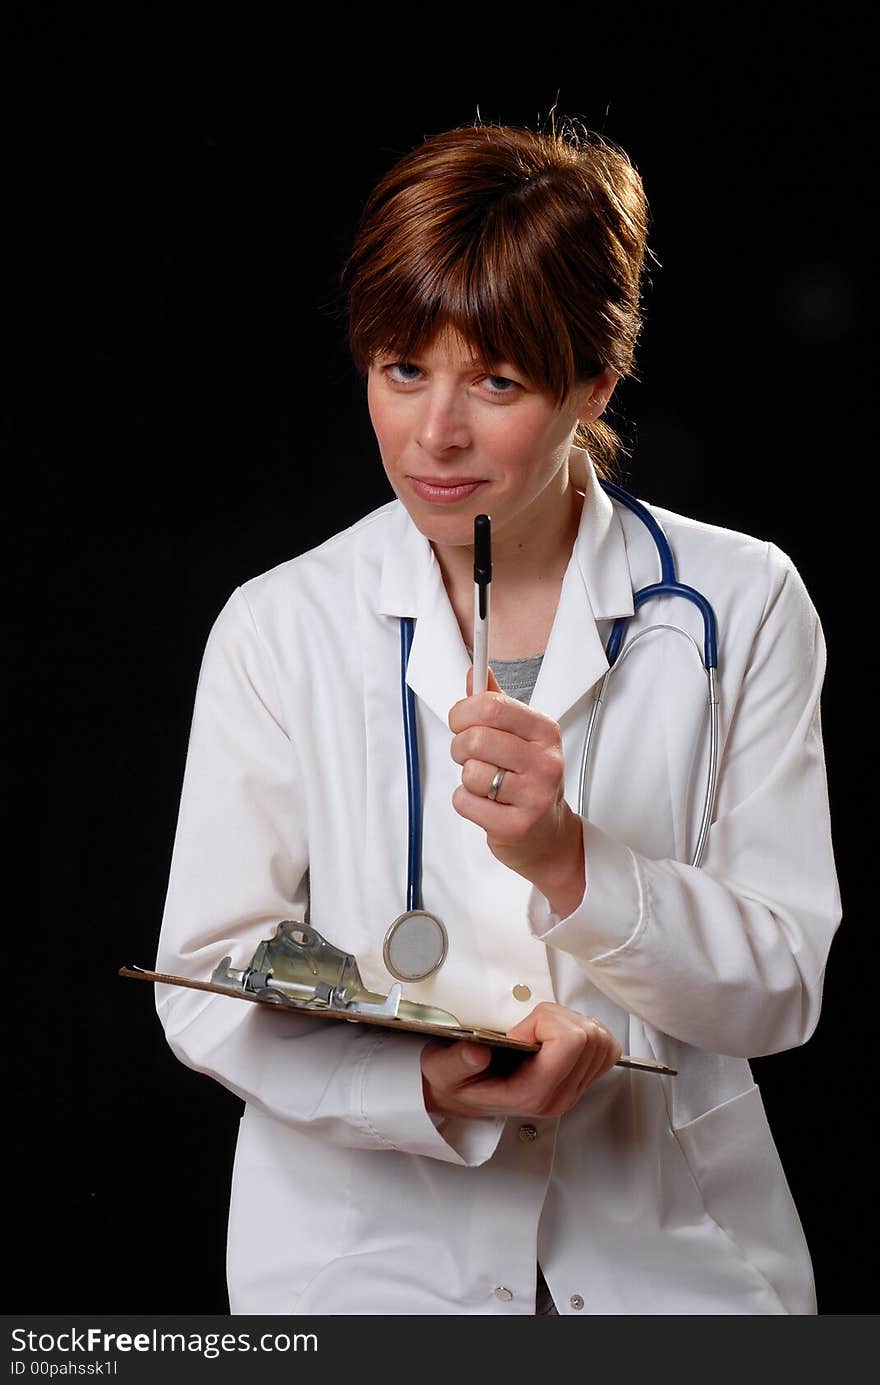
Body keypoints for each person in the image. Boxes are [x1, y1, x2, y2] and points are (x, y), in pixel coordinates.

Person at [154, 120, 841, 1315]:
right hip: (362, 1272)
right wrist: (423, 1082)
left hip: (676, 1266)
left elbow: (781, 982)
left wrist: (573, 863)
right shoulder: (279, 626)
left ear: (595, 382)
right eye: (401, 367)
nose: (435, 435)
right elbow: (211, 972)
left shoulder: (742, 601)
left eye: (500, 381)